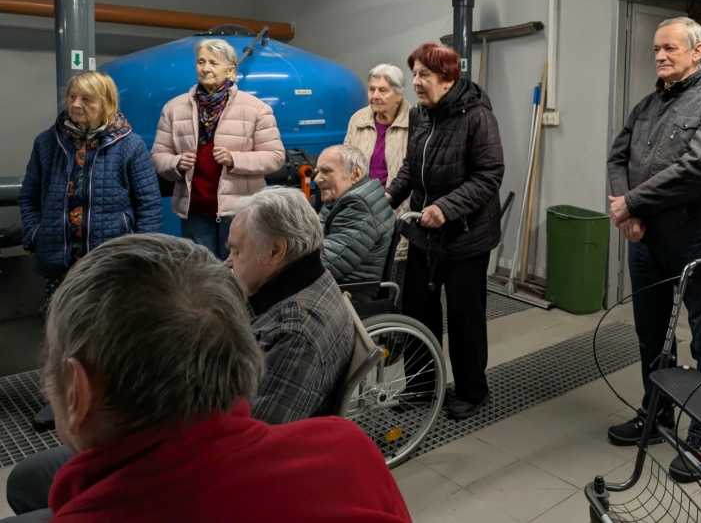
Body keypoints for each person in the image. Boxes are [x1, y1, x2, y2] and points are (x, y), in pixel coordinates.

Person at [2, 234, 410, 523]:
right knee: (26, 479)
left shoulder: (296, 328)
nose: (231, 259)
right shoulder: (349, 449)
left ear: (78, 391)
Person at [606, 17, 701, 483]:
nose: (660, 56)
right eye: (656, 49)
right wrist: (628, 211)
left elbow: (697, 169)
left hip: (698, 239)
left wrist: (633, 202)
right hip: (646, 241)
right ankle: (658, 409)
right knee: (651, 334)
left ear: (698, 51)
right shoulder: (647, 104)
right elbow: (617, 156)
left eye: (670, 49)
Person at [386, 43, 504, 421]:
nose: (416, 82)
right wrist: (388, 196)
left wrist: (446, 208)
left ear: (448, 79)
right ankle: (422, 385)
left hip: (465, 236)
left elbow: (488, 176)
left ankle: (472, 390)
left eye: (424, 75)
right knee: (418, 310)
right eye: (414, 74)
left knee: (465, 316)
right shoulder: (420, 115)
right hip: (424, 232)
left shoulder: (477, 117)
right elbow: (411, 167)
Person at [18, 71, 161, 304]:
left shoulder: (130, 145)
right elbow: (29, 197)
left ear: (107, 103)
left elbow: (149, 205)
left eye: (86, 99)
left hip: (113, 261)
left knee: (109, 322)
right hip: (58, 261)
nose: (76, 104)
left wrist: (141, 251)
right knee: (62, 321)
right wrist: (34, 235)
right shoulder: (46, 142)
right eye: (72, 97)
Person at [227, 186, 356, 424]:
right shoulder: (314, 276)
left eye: (236, 251)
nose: (229, 261)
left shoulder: (295, 334)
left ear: (276, 251)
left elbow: (259, 432)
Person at [150, 38, 284, 260]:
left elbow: (275, 157)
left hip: (241, 210)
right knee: (202, 270)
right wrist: (176, 163)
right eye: (201, 62)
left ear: (230, 70)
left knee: (239, 270)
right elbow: (158, 155)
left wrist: (235, 159)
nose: (205, 68)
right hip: (194, 210)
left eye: (213, 62)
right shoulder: (173, 108)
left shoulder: (256, 109)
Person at [344, 64, 413, 296]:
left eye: (383, 90)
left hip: (398, 208)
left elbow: (414, 170)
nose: (375, 95)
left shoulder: (415, 121)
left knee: (395, 273)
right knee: (363, 275)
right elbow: (346, 161)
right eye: (372, 89)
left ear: (399, 94)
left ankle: (394, 317)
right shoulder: (358, 119)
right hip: (363, 207)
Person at [315, 144, 395, 303]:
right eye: (317, 171)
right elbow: (312, 232)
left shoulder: (359, 206)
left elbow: (329, 263)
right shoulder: (341, 198)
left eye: (326, 171)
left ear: (355, 174)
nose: (317, 179)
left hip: (348, 295)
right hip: (335, 287)